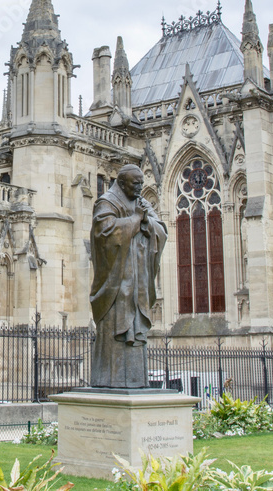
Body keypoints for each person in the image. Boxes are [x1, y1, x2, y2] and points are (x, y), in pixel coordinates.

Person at [89, 164, 168, 388]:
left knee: (136, 327)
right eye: (136, 183)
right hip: (116, 282)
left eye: (142, 183)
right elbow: (104, 233)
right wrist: (135, 220)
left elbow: (161, 229)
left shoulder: (140, 202)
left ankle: (135, 381)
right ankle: (109, 381)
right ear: (122, 183)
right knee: (116, 328)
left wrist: (145, 220)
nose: (140, 187)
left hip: (138, 280)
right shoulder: (106, 202)